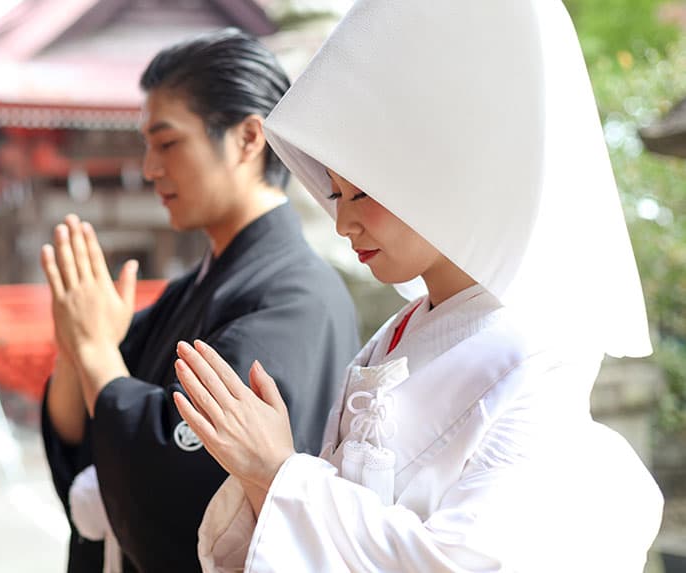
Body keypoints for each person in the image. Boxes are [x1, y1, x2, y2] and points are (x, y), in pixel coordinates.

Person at [172, 2, 665, 571]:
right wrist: (268, 471)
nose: (342, 223)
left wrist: (277, 471)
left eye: (363, 193)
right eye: (336, 194)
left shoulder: (541, 358)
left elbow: (458, 562)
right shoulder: (395, 334)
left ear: (444, 179)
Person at [39, 28, 360, 573]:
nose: (149, 168)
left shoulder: (296, 300)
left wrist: (95, 350)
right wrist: (78, 343)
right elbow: (85, 441)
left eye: (167, 143)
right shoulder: (188, 291)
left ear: (247, 139)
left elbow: (179, 493)